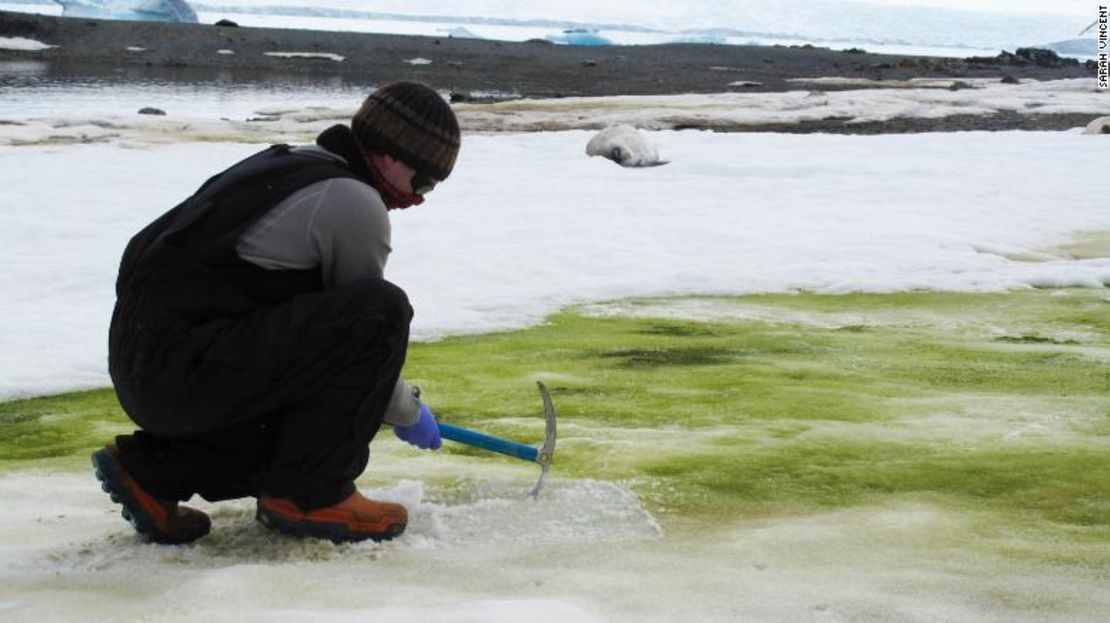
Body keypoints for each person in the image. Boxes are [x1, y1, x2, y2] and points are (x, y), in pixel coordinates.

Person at [91, 81, 460, 545]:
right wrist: (407, 410)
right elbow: (364, 338)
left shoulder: (293, 164)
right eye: (423, 181)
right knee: (382, 311)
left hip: (152, 365)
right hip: (183, 368)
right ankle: (311, 493)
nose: (420, 198)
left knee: (299, 402)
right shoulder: (352, 201)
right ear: (390, 156)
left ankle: (152, 472)